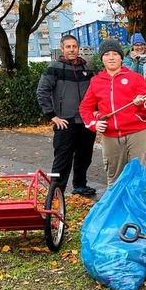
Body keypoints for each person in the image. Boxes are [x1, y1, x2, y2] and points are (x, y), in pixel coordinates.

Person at [79, 39, 146, 186]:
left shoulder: (135, 78)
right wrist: (94, 124)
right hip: (110, 136)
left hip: (138, 133)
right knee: (115, 179)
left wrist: (142, 102)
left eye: (115, 54)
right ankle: (117, 208)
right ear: (102, 58)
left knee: (145, 176)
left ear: (121, 57)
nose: (111, 57)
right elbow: (85, 108)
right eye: (107, 54)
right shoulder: (96, 81)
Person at [36, 35, 97, 196]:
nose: (72, 49)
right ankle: (56, 193)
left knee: (84, 157)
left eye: (74, 46)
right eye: (68, 46)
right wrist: (52, 115)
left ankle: (80, 185)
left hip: (85, 121)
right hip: (65, 121)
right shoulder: (54, 68)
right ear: (62, 49)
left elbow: (97, 92)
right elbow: (42, 92)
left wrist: (96, 111)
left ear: (78, 48)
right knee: (62, 159)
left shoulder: (88, 68)